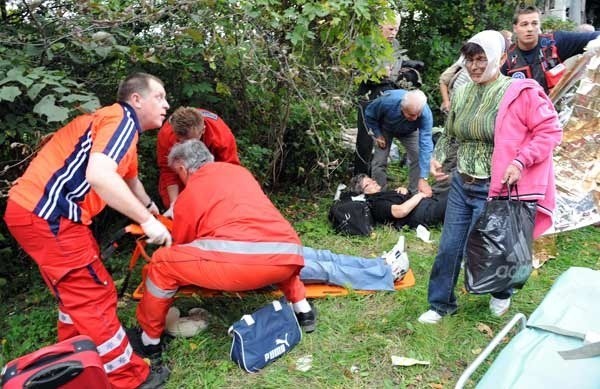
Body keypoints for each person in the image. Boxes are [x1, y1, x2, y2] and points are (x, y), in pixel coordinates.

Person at [4, 73, 172, 388]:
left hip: (35, 214)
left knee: (75, 297)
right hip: (50, 216)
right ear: (136, 100)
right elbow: (100, 175)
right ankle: (128, 378)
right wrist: (148, 223)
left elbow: (130, 180)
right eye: (159, 97)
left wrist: (152, 210)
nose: (166, 104)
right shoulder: (121, 119)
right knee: (94, 295)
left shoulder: (123, 132)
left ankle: (79, 363)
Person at [418, 30, 562, 325]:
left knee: (492, 247)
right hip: (462, 183)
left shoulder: (521, 92)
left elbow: (550, 130)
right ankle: (440, 304)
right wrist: (438, 157)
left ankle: (502, 291)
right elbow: (451, 133)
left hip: (495, 187)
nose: (475, 66)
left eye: (482, 59)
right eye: (470, 60)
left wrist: (521, 161)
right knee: (449, 247)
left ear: (500, 58)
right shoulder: (462, 92)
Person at [130, 139, 318, 360]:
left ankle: (149, 341)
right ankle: (303, 311)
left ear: (182, 168)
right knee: (269, 247)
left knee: (162, 263)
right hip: (289, 254)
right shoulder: (239, 173)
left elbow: (183, 243)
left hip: (241, 267)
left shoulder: (189, 194)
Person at [157, 106, 239, 215]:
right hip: (181, 174)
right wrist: (174, 204)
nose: (188, 146)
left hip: (214, 172)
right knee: (180, 208)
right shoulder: (166, 134)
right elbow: (168, 171)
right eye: (183, 142)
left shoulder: (221, 136)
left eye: (192, 140)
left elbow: (230, 170)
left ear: (203, 130)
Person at [501, 5, 600, 94]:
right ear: (515, 28)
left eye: (534, 23)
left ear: (539, 25)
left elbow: (594, 36)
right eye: (524, 24)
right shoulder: (507, 61)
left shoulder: (554, 42)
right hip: (524, 112)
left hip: (556, 110)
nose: (530, 29)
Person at [353, 13, 404, 176]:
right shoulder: (367, 43)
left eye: (397, 29)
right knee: (365, 138)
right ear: (380, 27)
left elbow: (396, 70)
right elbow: (355, 72)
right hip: (368, 91)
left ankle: (377, 176)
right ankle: (360, 177)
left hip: (388, 90)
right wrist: (376, 72)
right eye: (390, 28)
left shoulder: (395, 44)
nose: (394, 32)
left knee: (384, 135)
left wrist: (392, 74)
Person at [364, 89, 433, 196]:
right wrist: (377, 134)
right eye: (411, 114)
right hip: (385, 129)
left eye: (417, 115)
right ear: (402, 107)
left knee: (418, 156)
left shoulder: (425, 113)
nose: (415, 118)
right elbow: (369, 115)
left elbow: (426, 142)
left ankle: (413, 192)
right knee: (379, 161)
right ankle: (379, 195)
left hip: (410, 131)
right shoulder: (387, 102)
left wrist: (424, 176)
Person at [350, 174, 447, 229]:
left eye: (372, 180)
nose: (374, 182)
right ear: (363, 192)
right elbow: (400, 211)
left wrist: (404, 191)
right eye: (368, 184)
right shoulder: (376, 203)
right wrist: (420, 195)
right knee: (456, 200)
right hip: (424, 214)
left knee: (455, 190)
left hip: (428, 203)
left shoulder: (382, 194)